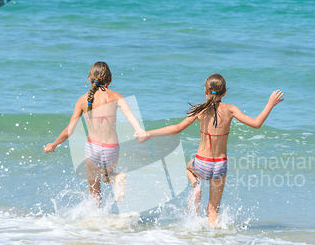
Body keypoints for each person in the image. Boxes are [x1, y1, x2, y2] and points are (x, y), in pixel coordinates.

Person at [138, 73, 284, 226]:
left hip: (201, 163)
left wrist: (148, 133)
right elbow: (256, 123)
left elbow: (176, 128)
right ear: (225, 92)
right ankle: (212, 244)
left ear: (206, 91)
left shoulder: (199, 110)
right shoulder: (231, 109)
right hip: (220, 165)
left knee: (189, 168)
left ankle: (196, 188)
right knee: (213, 210)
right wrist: (270, 104)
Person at [44, 61, 146, 207]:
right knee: (107, 176)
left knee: (94, 192)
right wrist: (139, 130)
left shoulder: (82, 100)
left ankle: (95, 226)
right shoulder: (117, 96)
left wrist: (53, 144)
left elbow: (69, 131)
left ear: (90, 78)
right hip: (111, 148)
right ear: (110, 80)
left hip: (92, 149)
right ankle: (117, 176)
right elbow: (129, 114)